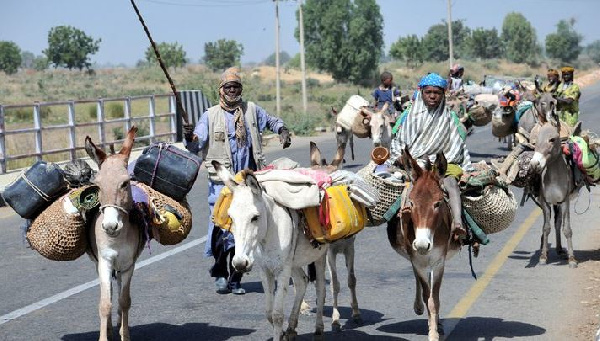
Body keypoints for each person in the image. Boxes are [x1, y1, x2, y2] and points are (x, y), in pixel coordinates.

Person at [184, 67, 291, 295]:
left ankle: (236, 278)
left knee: (246, 231)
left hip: (249, 184)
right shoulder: (210, 115)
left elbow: (272, 121)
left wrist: (282, 129)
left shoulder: (251, 110)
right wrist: (189, 136)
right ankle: (221, 273)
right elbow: (196, 143)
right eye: (228, 87)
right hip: (223, 183)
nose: (232, 91)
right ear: (220, 91)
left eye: (236, 87)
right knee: (222, 228)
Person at [387, 73, 471, 240]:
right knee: (407, 186)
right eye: (428, 92)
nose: (432, 96)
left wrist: (448, 164)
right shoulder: (409, 116)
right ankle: (403, 218)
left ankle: (458, 224)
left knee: (451, 184)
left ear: (443, 95)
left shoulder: (449, 118)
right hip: (415, 163)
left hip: (442, 165)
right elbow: (399, 141)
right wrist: (402, 158)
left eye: (437, 92)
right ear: (421, 92)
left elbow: (457, 146)